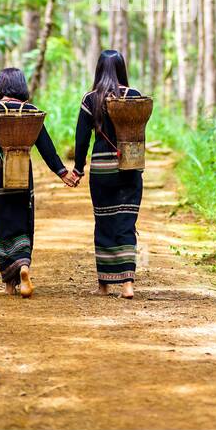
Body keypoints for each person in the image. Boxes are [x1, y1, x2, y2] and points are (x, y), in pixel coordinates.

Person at [0, 67, 75, 298]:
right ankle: (24, 267)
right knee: (22, 221)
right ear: (21, 86)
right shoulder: (30, 112)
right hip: (22, 172)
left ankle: (9, 284)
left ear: (0, 86)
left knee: (3, 224)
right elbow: (45, 146)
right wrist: (62, 172)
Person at [71, 50, 144, 299]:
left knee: (104, 223)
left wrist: (78, 169)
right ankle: (127, 284)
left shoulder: (91, 99)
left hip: (102, 170)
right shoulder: (134, 96)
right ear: (122, 68)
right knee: (126, 223)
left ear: (99, 69)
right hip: (129, 167)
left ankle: (103, 285)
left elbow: (81, 139)